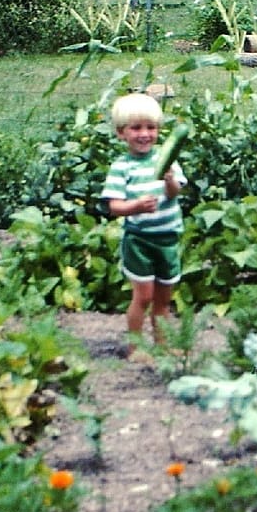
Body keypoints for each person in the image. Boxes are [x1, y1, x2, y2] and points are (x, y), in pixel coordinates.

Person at [101, 92, 186, 357]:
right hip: (139, 240)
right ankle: (135, 346)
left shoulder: (166, 159)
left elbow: (175, 193)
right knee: (144, 296)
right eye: (136, 128)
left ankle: (163, 345)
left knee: (163, 299)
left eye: (151, 127)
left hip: (168, 238)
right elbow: (113, 206)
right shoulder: (121, 166)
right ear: (120, 133)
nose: (144, 134)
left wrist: (170, 181)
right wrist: (135, 206)